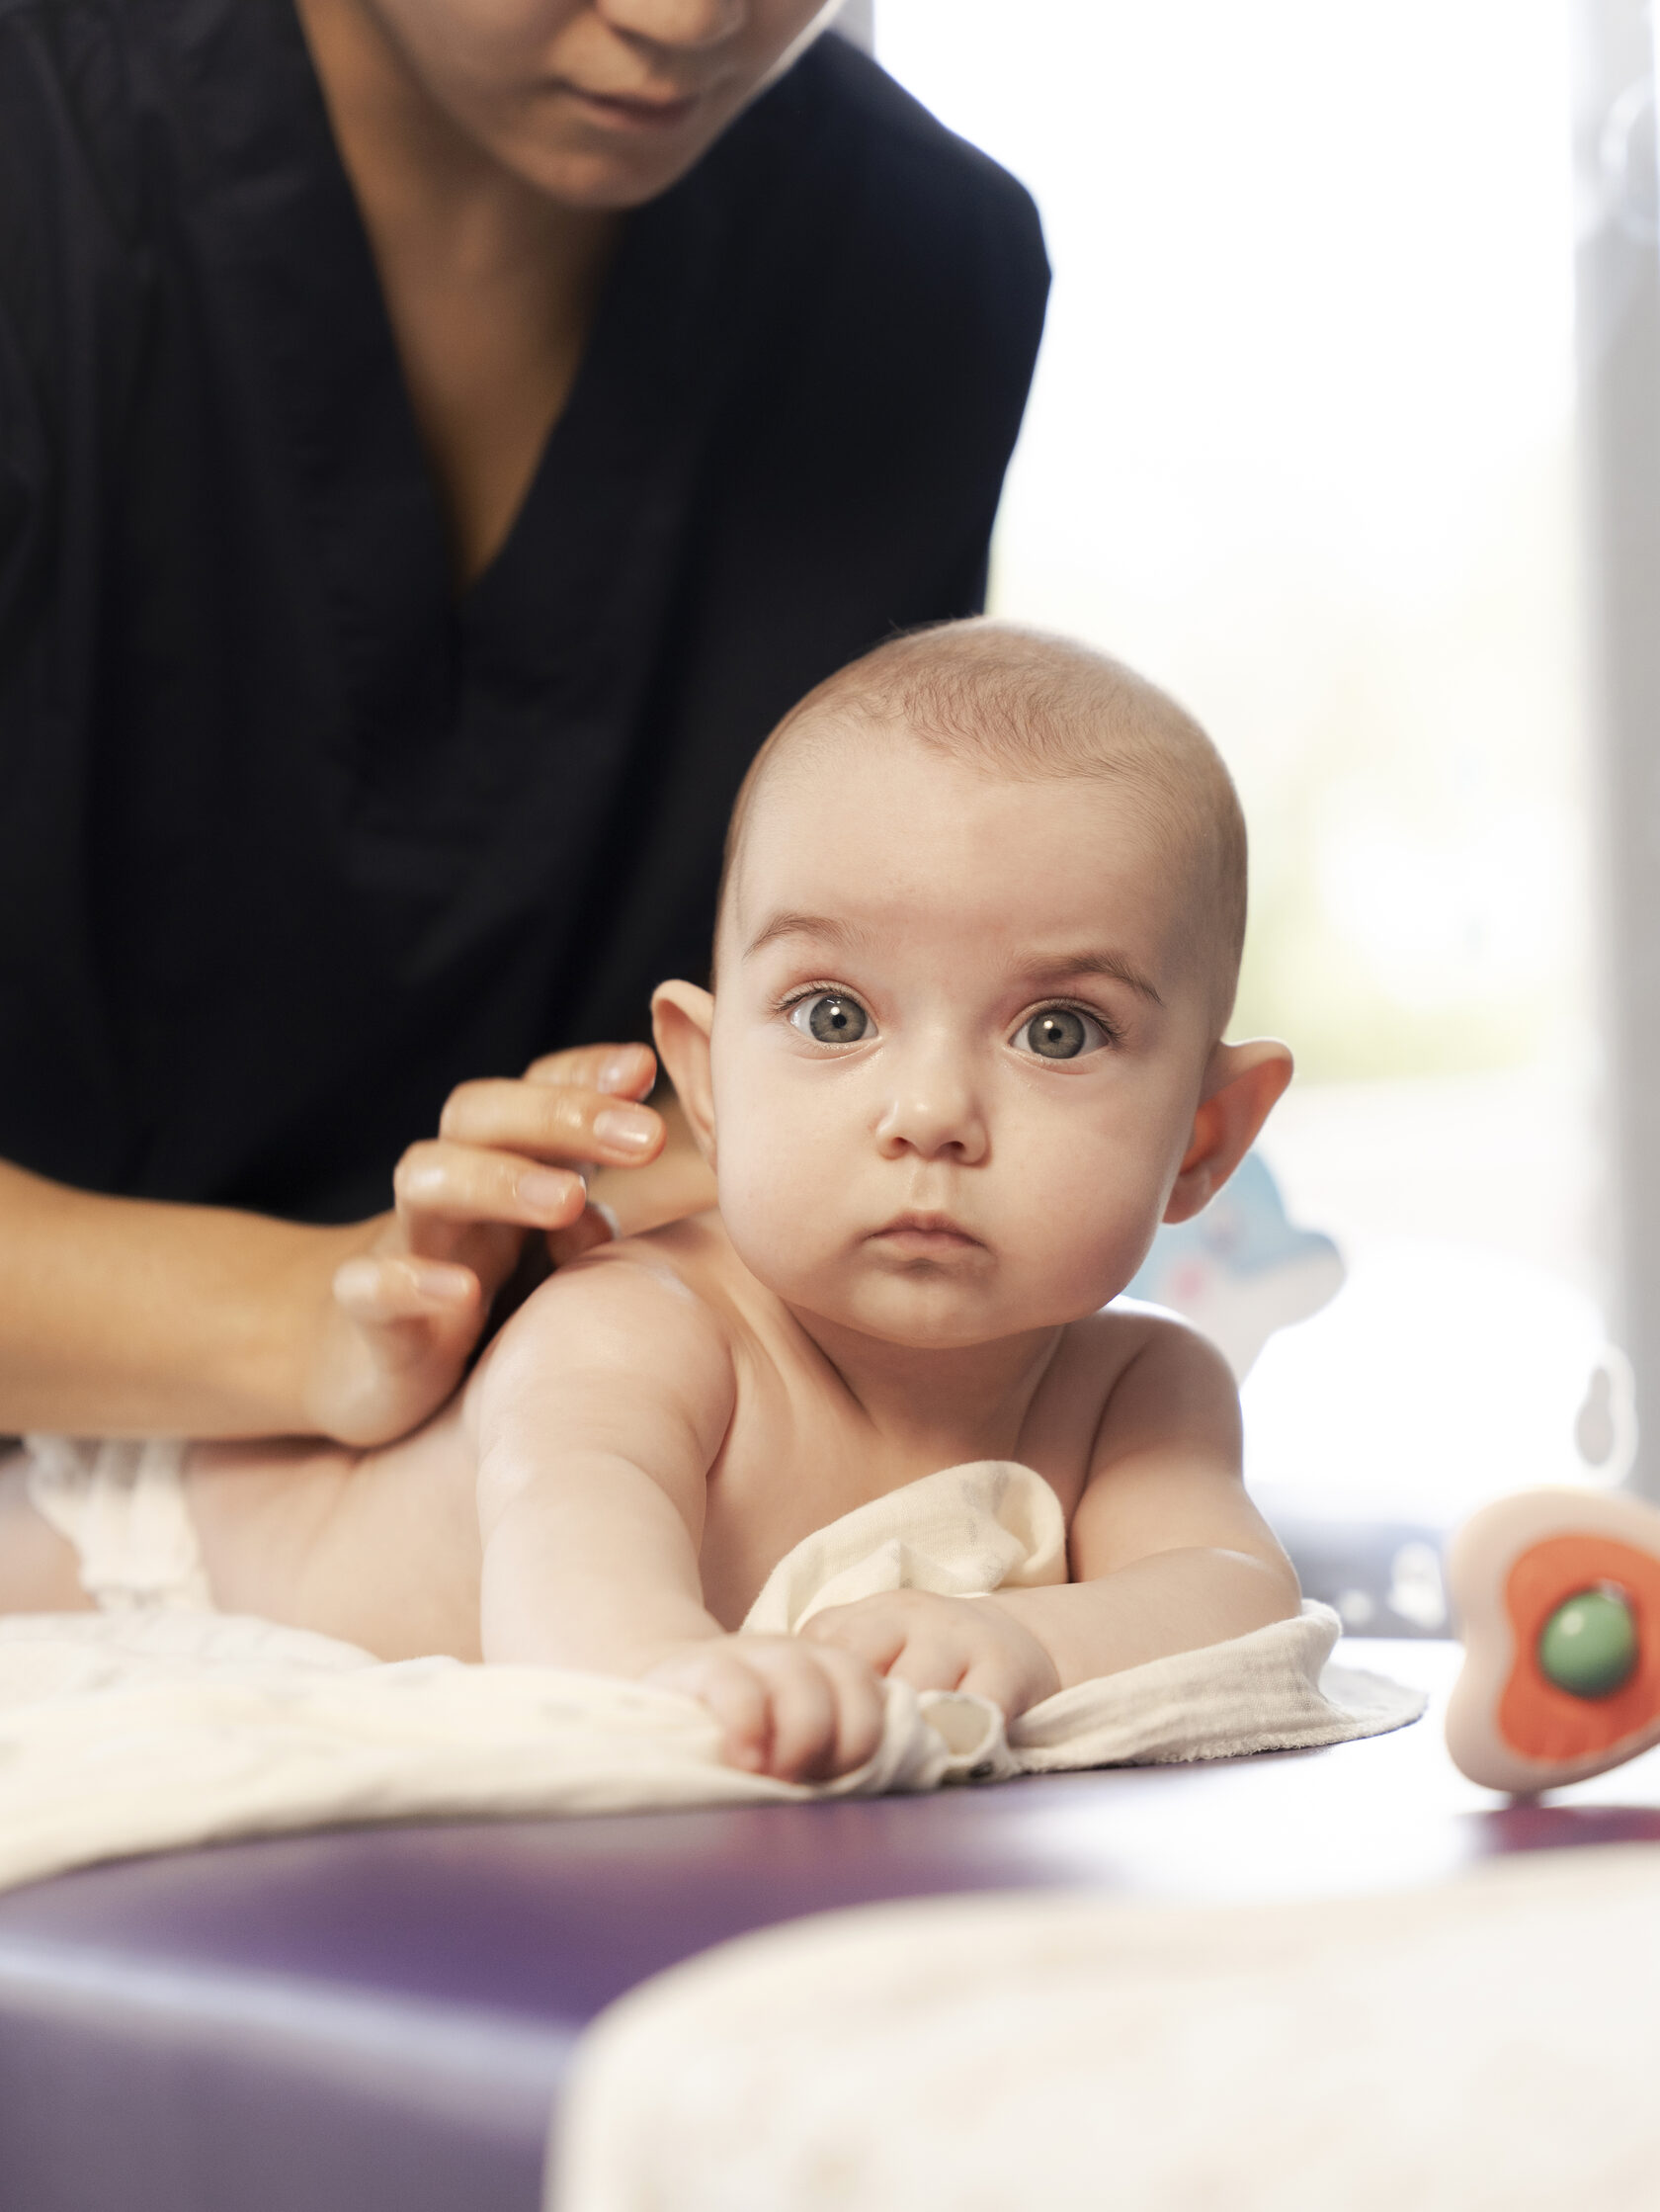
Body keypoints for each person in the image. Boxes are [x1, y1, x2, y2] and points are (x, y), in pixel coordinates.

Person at [0, 0, 1047, 1448]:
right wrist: (321, 1310)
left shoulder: (920, 272)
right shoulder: (44, 153)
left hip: (554, 1496)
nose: (688, 20)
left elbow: (811, 1031)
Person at [0, 622, 1300, 1779]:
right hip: (158, 1533)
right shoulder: (647, 1320)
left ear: (1204, 1134)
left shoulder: (1137, 1391)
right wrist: (672, 1669)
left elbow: (1237, 1600)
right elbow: (569, 1556)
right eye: (835, 1014)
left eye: (1060, 1032)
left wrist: (1027, 1638)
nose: (931, 1111)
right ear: (708, 1074)